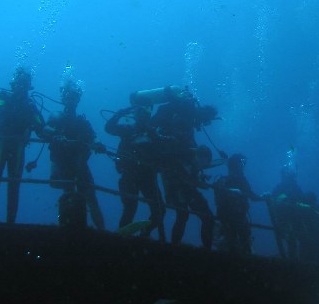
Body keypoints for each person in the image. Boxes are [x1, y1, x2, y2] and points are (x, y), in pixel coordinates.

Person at [150, 90, 218, 248]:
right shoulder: (183, 120)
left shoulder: (187, 122)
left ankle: (191, 251)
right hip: (174, 178)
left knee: (200, 216)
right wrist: (194, 156)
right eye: (206, 120)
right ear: (203, 114)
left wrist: (198, 172)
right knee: (185, 215)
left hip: (183, 180)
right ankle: (177, 249)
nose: (204, 124)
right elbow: (177, 148)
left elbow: (188, 152)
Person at [0, 67, 45, 223]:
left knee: (14, 185)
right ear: (13, 84)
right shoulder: (3, 96)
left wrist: (48, 131)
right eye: (19, 83)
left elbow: (40, 125)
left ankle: (10, 222)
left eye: (24, 84)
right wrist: (28, 120)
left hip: (16, 148)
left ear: (28, 87)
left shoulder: (29, 104)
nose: (21, 87)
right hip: (1, 145)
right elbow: (0, 115)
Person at [45, 79, 107, 230]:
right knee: (69, 196)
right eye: (69, 97)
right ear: (64, 99)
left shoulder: (82, 121)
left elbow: (93, 136)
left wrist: (98, 144)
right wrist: (56, 135)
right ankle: (69, 228)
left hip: (80, 164)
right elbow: (45, 129)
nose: (71, 101)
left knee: (90, 197)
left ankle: (101, 231)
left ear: (78, 100)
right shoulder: (56, 116)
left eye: (74, 98)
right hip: (63, 163)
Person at [104, 104, 166, 240]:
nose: (143, 115)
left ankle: (144, 234)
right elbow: (109, 128)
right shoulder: (128, 129)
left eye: (146, 112)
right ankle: (122, 240)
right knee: (130, 207)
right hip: (129, 174)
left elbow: (161, 154)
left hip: (148, 177)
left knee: (160, 210)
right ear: (136, 115)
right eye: (140, 112)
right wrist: (120, 113)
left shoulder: (153, 133)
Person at [213, 153, 264, 254]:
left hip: (233, 215)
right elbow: (251, 195)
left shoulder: (225, 179)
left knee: (235, 240)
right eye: (242, 162)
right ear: (236, 164)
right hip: (233, 216)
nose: (243, 166)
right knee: (238, 240)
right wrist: (262, 197)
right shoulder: (231, 180)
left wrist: (261, 197)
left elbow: (250, 194)